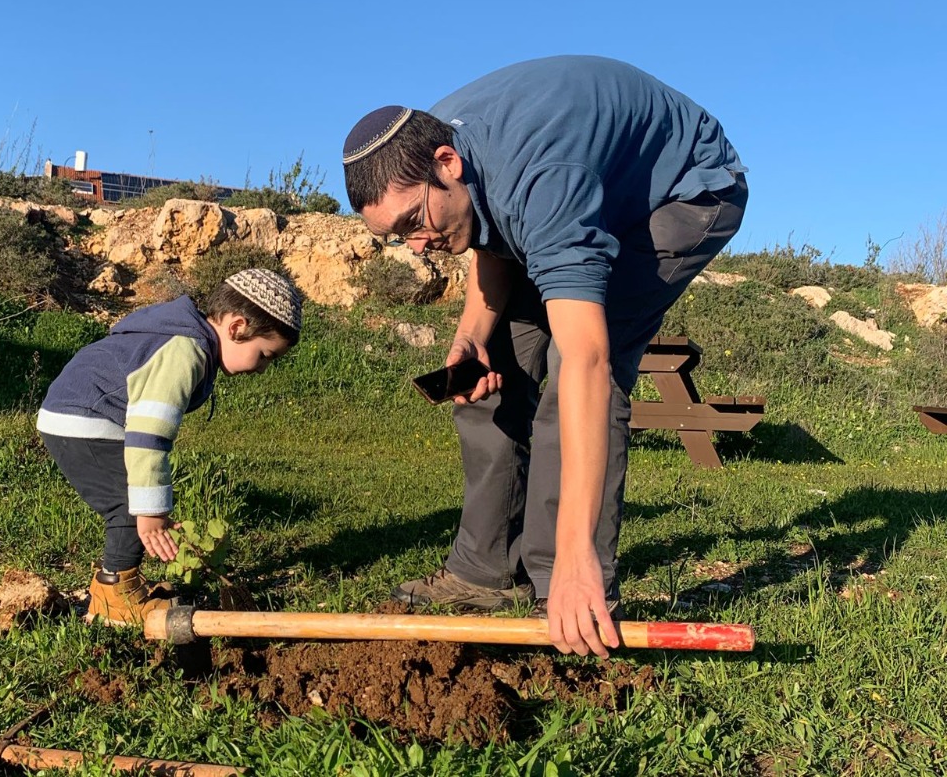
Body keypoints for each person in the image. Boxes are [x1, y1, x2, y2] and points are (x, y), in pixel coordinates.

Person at [343, 56, 748, 658]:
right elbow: (492, 227)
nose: (417, 244)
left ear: (445, 164)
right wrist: (471, 335)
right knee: (495, 362)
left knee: (576, 372)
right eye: (396, 236)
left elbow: (588, 359)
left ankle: (569, 583)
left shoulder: (541, 175)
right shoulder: (449, 154)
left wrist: (577, 553)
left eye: (414, 221)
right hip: (571, 180)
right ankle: (481, 572)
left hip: (680, 192)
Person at [36, 268, 302, 625]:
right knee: (132, 509)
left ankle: (117, 582)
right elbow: (149, 436)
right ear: (238, 328)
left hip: (85, 416)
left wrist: (152, 510)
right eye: (266, 355)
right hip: (83, 419)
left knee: (136, 506)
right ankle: (113, 597)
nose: (264, 368)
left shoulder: (189, 341)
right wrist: (151, 512)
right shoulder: (184, 352)